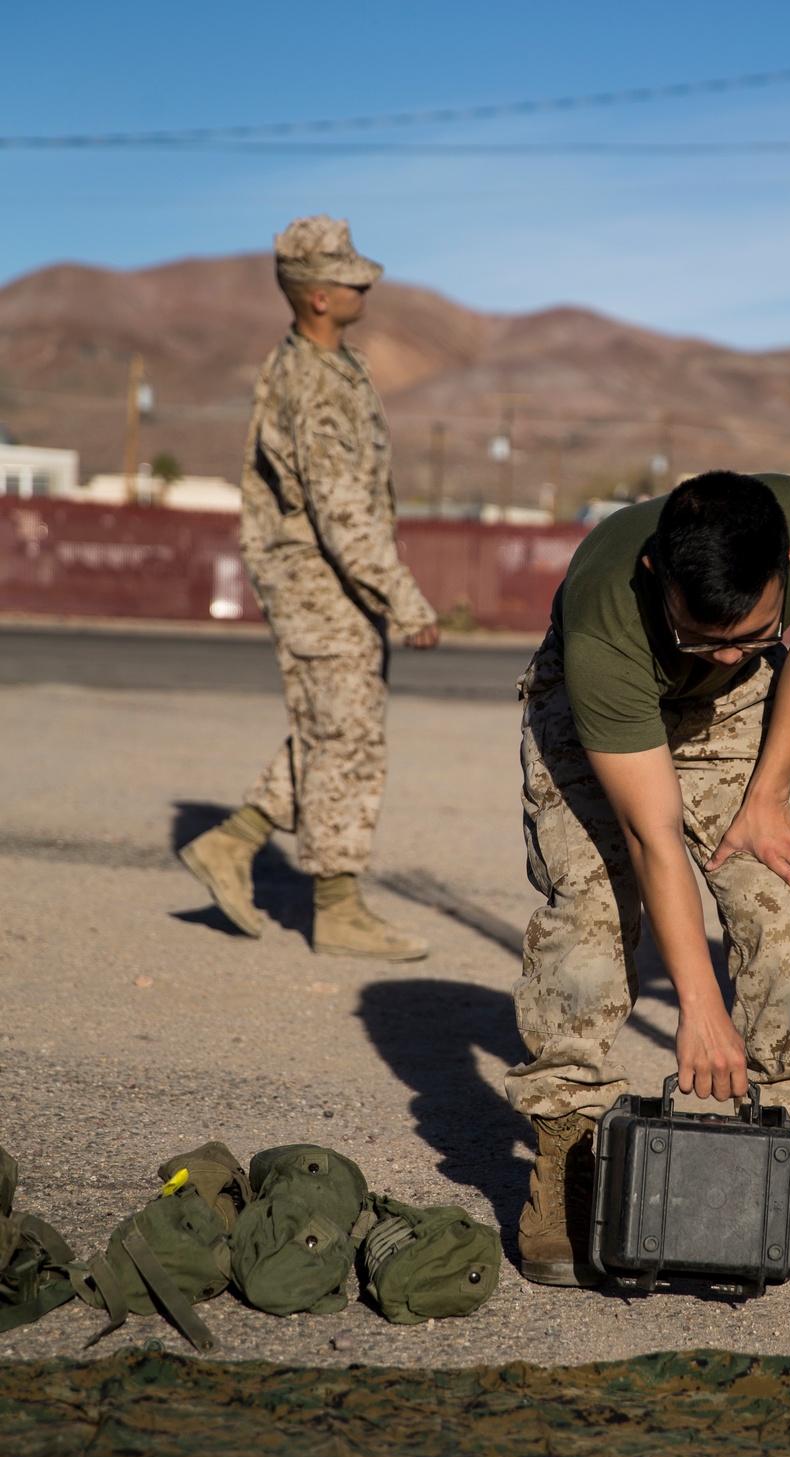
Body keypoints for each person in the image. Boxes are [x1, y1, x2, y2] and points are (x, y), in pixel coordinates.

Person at [507, 470, 790, 1287]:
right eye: (708, 638)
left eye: (751, 632)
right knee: (589, 912)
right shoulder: (609, 612)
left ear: (788, 559)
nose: (734, 652)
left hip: (740, 719)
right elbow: (652, 832)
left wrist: (769, 794)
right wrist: (700, 1010)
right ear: (655, 580)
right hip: (601, 707)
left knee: (774, 909)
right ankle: (568, 1146)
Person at [180, 215, 438, 961]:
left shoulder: (332, 365)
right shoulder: (311, 382)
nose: (367, 286)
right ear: (319, 297)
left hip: (331, 579)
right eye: (353, 278)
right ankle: (337, 907)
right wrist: (405, 597)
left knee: (337, 728)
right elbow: (340, 510)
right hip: (318, 578)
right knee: (347, 737)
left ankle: (234, 844)